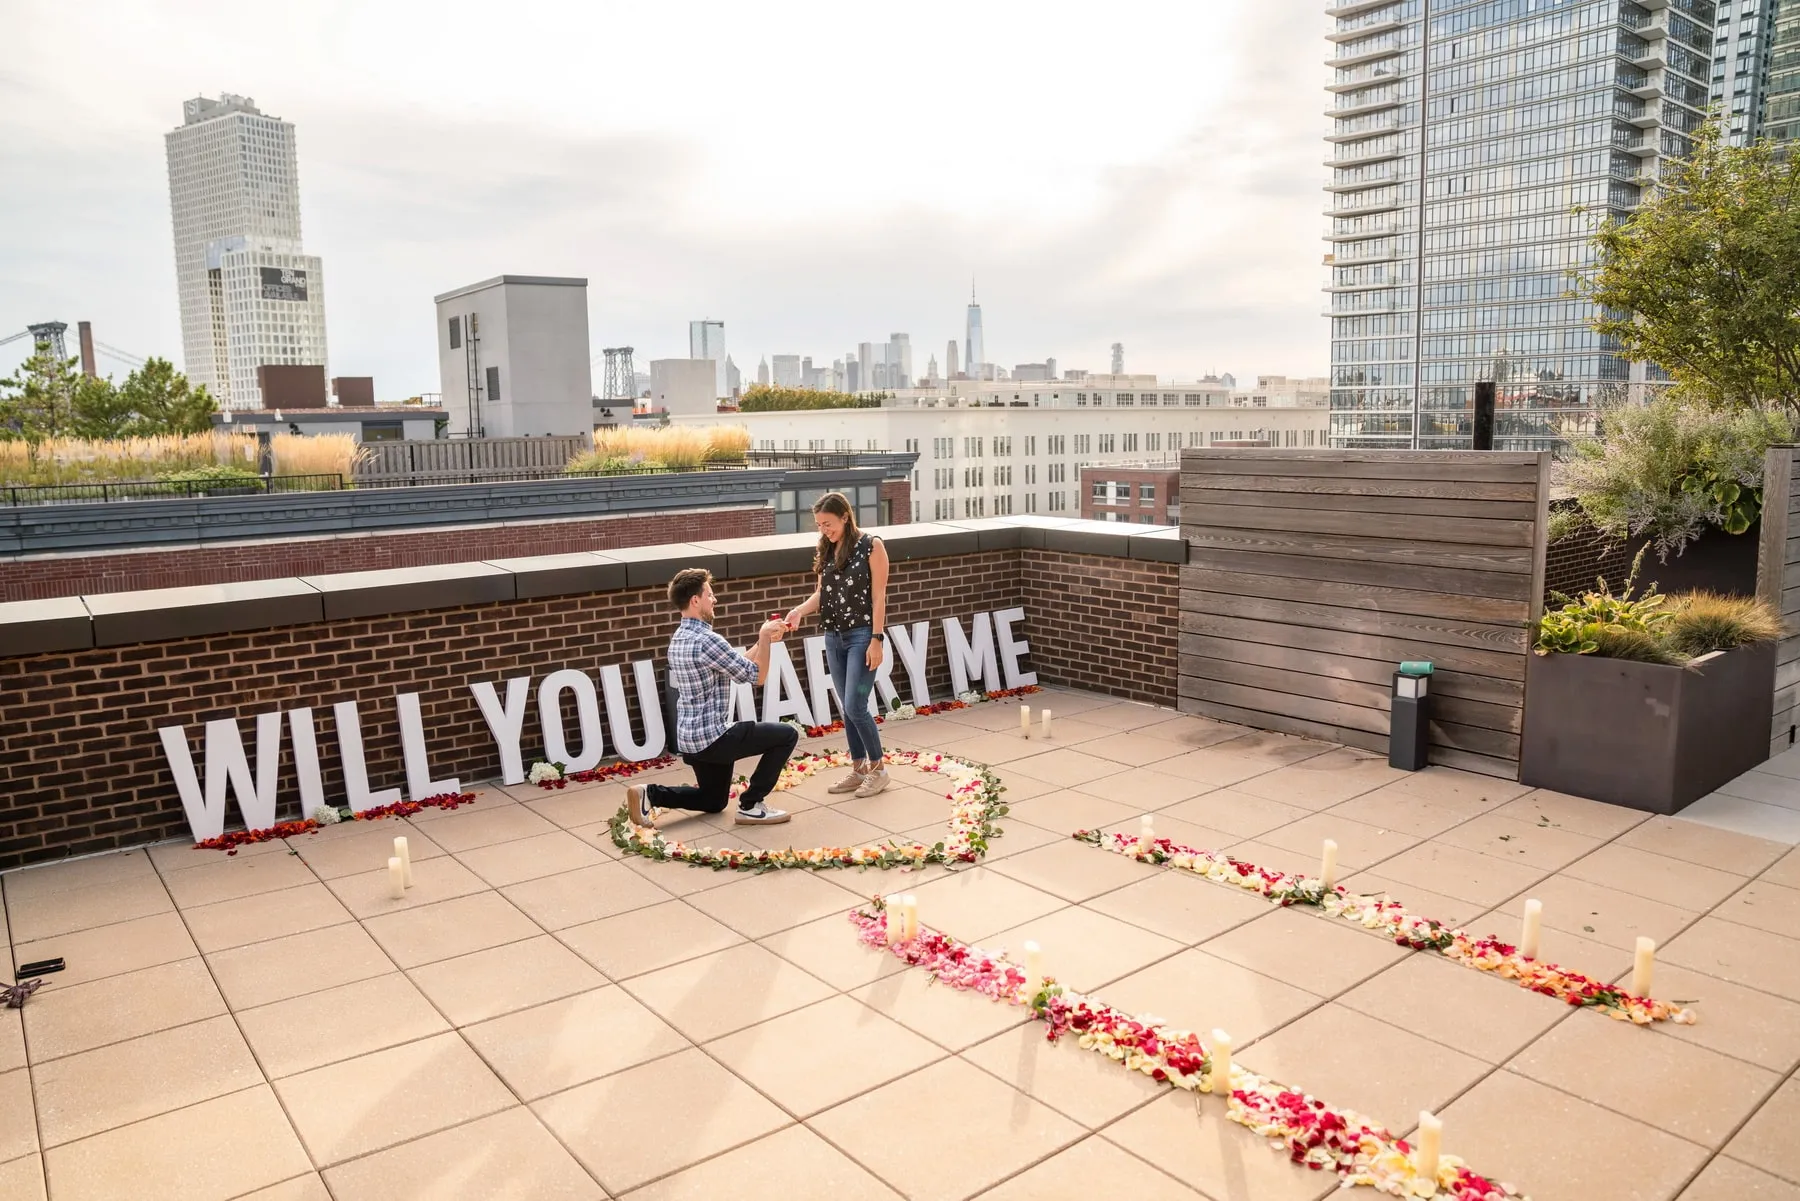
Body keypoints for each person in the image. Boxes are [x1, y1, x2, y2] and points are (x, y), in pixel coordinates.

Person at [625, 567, 796, 827]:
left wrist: (764, 643)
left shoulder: (679, 637)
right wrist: (763, 636)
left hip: (690, 739)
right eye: (710, 594)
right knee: (787, 735)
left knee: (713, 800)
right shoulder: (708, 640)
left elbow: (735, 664)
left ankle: (649, 794)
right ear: (695, 600)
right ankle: (751, 805)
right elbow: (757, 677)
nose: (714, 599)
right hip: (713, 738)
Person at [782, 491, 891, 798]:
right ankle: (859, 769)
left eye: (827, 523)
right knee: (847, 707)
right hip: (833, 636)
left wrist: (877, 639)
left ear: (845, 516)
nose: (823, 530)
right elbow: (822, 595)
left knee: (856, 705)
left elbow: (879, 597)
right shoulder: (828, 549)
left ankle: (879, 770)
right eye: (819, 525)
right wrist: (798, 611)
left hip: (862, 636)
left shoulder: (872, 546)